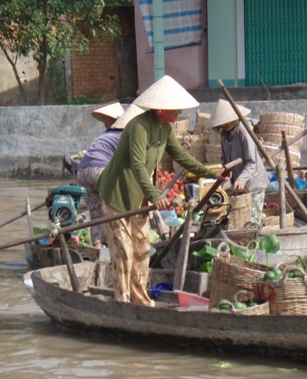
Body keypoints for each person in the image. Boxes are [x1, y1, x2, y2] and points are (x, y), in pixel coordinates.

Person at [96, 75, 224, 307]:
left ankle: (140, 298)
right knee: (124, 251)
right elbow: (137, 164)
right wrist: (156, 195)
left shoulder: (165, 128)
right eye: (175, 109)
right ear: (162, 109)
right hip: (117, 194)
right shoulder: (138, 126)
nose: (179, 113)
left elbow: (181, 156)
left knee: (142, 249)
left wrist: (210, 173)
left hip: (139, 197)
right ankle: (123, 301)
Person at [76, 104, 144, 248]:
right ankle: (119, 245)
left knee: (95, 212)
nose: (104, 123)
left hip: (81, 171)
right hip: (100, 169)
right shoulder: (124, 135)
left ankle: (97, 247)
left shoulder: (103, 136)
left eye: (106, 119)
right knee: (115, 208)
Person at [209, 99, 269, 227]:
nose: (224, 125)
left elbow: (252, 162)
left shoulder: (243, 131)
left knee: (251, 223)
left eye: (225, 122)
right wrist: (225, 172)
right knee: (239, 221)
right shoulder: (224, 134)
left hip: (254, 183)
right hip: (240, 185)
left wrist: (242, 179)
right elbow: (225, 159)